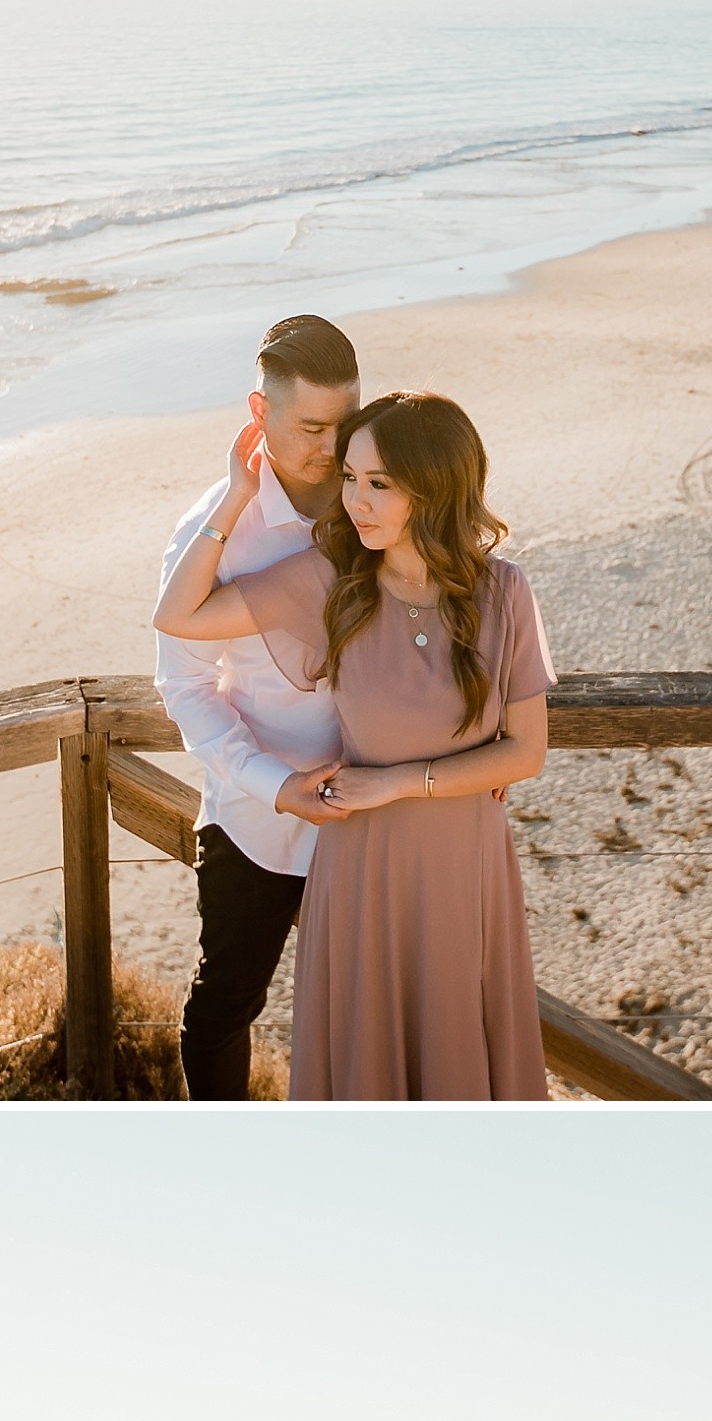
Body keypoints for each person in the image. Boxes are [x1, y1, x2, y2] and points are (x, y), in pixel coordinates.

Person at [157, 392, 552, 1100]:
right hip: (363, 870)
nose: (355, 501)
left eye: (378, 484)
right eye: (350, 480)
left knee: (462, 1055)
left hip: (468, 866)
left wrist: (400, 782)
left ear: (432, 488)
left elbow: (525, 753)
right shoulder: (332, 584)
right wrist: (236, 493)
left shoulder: (506, 592)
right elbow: (177, 615)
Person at [155, 318, 361, 1100]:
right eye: (312, 428)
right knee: (225, 1007)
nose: (333, 448)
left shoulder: (374, 496)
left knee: (366, 1004)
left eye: (345, 424)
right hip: (255, 819)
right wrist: (271, 782)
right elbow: (183, 685)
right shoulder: (214, 530)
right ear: (258, 413)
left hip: (371, 805)